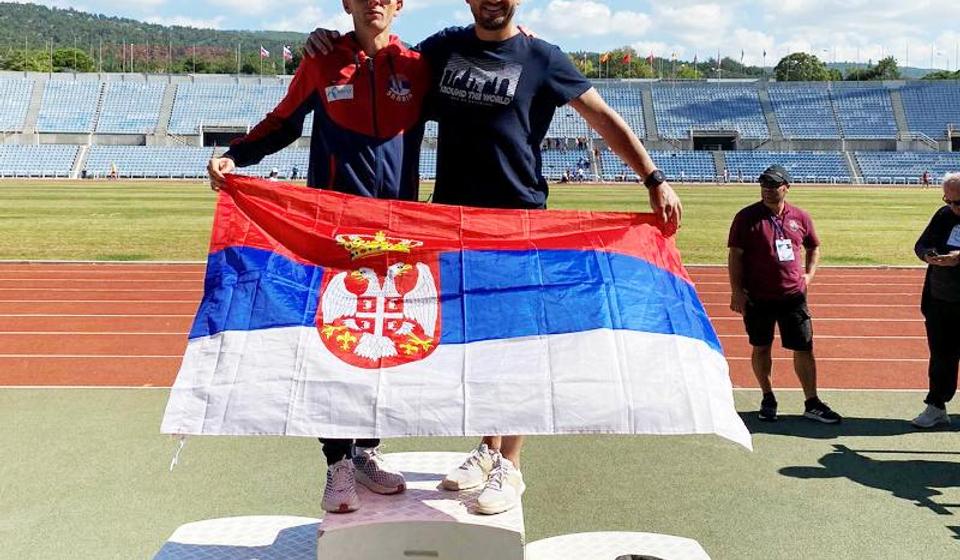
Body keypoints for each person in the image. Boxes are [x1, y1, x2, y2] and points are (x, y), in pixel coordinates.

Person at [306, 0, 681, 516]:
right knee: (479, 348)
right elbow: (378, 58)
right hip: (455, 223)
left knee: (520, 347)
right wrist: (327, 40)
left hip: (520, 222)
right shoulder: (442, 49)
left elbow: (600, 117)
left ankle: (511, 464)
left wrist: (652, 177)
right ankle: (486, 448)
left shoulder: (542, 58)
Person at [208, 0, 431, 515]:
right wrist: (235, 155)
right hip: (333, 237)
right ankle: (337, 463)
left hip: (395, 238)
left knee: (385, 343)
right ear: (347, 4)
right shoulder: (322, 61)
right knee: (336, 344)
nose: (374, 1)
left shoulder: (419, 68)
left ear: (399, 5)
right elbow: (283, 122)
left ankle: (367, 452)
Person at [727, 164, 841, 424]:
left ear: (786, 188)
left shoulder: (800, 217)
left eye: (773, 186)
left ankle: (812, 401)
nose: (767, 191)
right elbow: (735, 255)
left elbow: (814, 247)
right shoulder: (746, 217)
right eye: (764, 186)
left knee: (803, 348)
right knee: (761, 347)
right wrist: (736, 291)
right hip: (757, 296)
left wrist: (809, 275)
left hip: (793, 296)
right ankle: (768, 397)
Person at [911, 173, 960, 428]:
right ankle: (937, 405)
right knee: (941, 356)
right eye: (948, 200)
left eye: (958, 202)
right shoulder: (943, 215)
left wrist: (959, 257)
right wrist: (928, 255)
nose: (953, 207)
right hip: (940, 299)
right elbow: (921, 244)